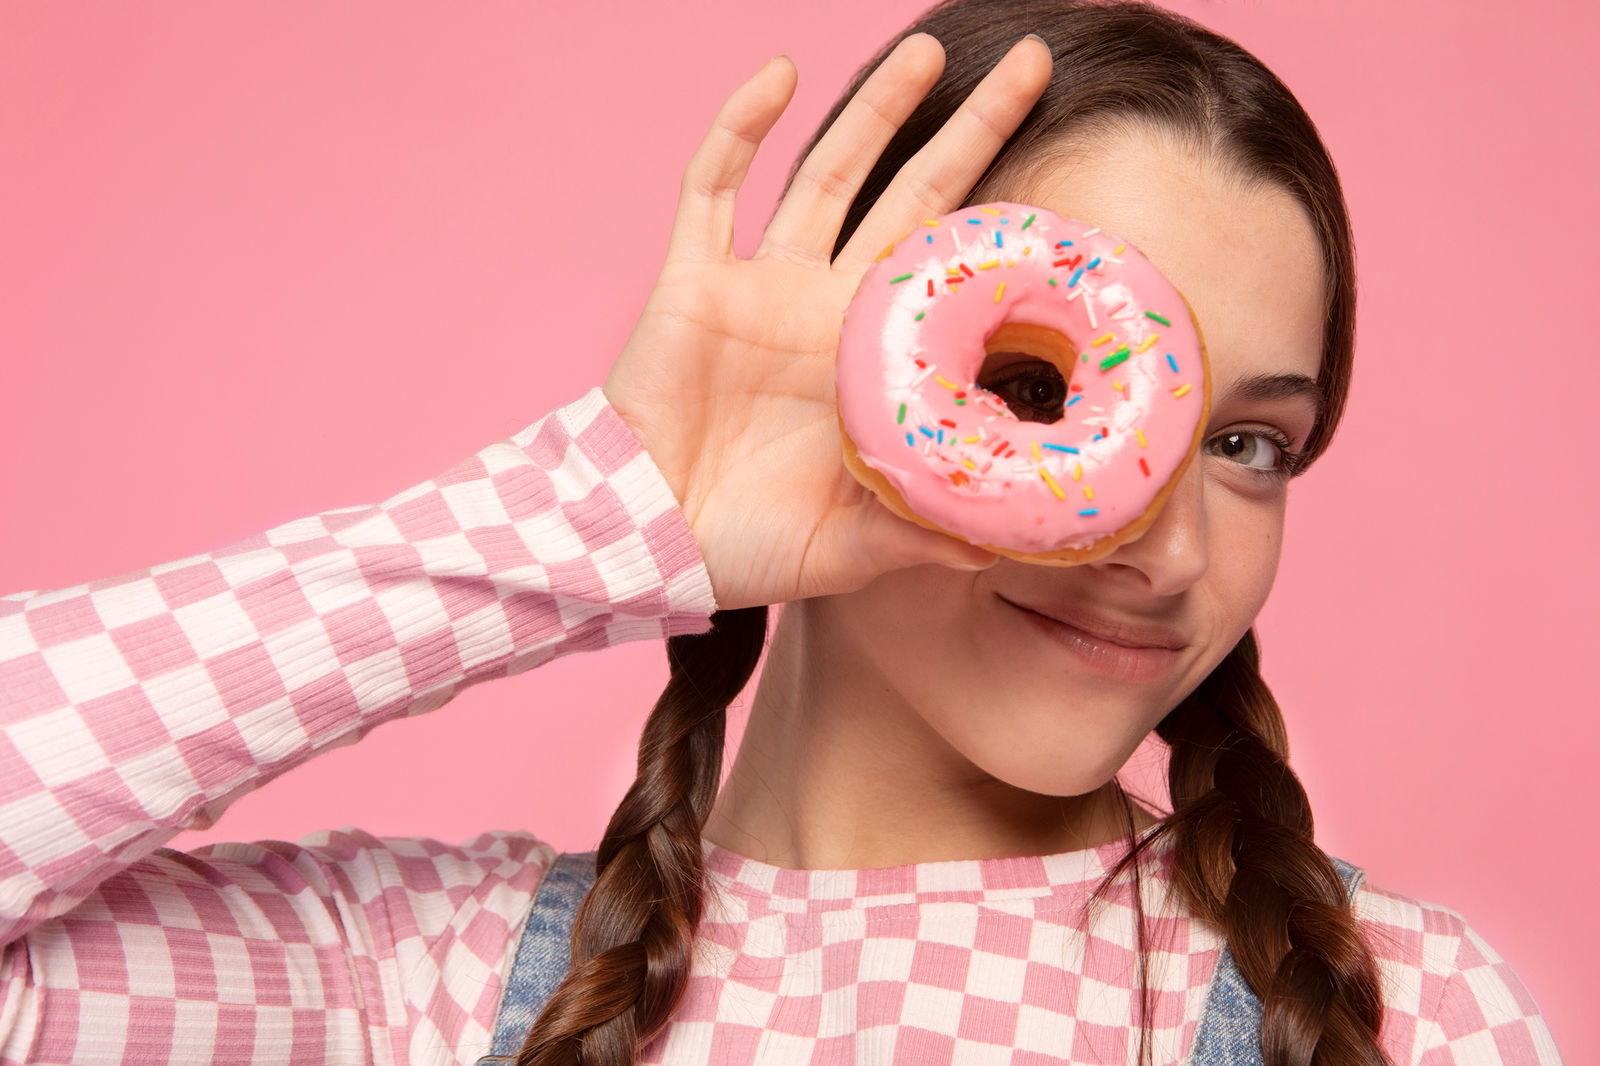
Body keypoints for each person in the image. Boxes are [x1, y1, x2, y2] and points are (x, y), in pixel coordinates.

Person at [0, 1, 1565, 1064]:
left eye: (1247, 444)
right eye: (1041, 390)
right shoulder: (418, 979)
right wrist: (608, 506)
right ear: (860, 368)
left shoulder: (1401, 1010)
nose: (1163, 551)